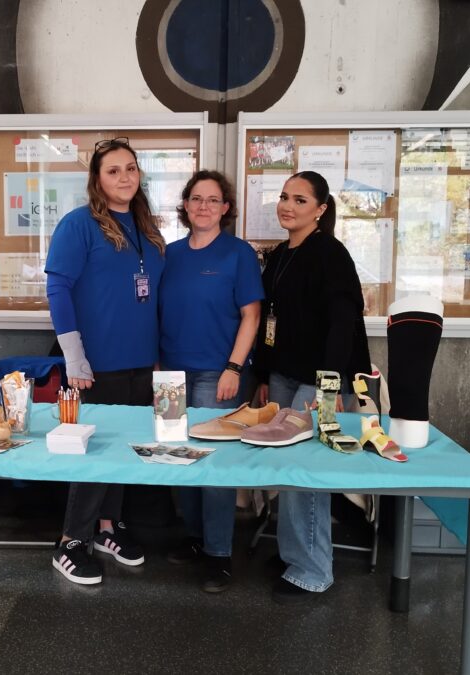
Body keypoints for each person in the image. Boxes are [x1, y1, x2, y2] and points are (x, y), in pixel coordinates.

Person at [45, 137, 166, 585]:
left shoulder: (146, 227)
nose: (125, 177)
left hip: (139, 363)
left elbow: (150, 296)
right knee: (93, 455)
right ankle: (70, 542)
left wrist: (155, 359)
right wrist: (74, 359)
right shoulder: (79, 225)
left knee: (121, 452)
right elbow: (57, 289)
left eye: (131, 169)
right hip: (95, 366)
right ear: (97, 179)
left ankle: (106, 529)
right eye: (113, 170)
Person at [252, 170, 371, 601]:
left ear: (321, 210)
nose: (288, 205)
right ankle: (292, 555)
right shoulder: (283, 253)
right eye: (285, 197)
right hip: (283, 374)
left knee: (308, 472)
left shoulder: (330, 254)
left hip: (319, 381)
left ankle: (314, 571)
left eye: (300, 200)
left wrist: (330, 386)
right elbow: (271, 320)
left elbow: (343, 326)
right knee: (287, 470)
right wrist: (264, 376)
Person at [158, 170, 264, 593]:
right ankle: (196, 539)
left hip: (217, 373)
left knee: (213, 461)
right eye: (196, 198)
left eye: (213, 199)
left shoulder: (238, 254)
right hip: (170, 373)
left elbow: (251, 316)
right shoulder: (169, 254)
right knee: (179, 455)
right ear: (185, 205)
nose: (204, 206)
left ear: (226, 207)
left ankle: (219, 553)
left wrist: (234, 369)